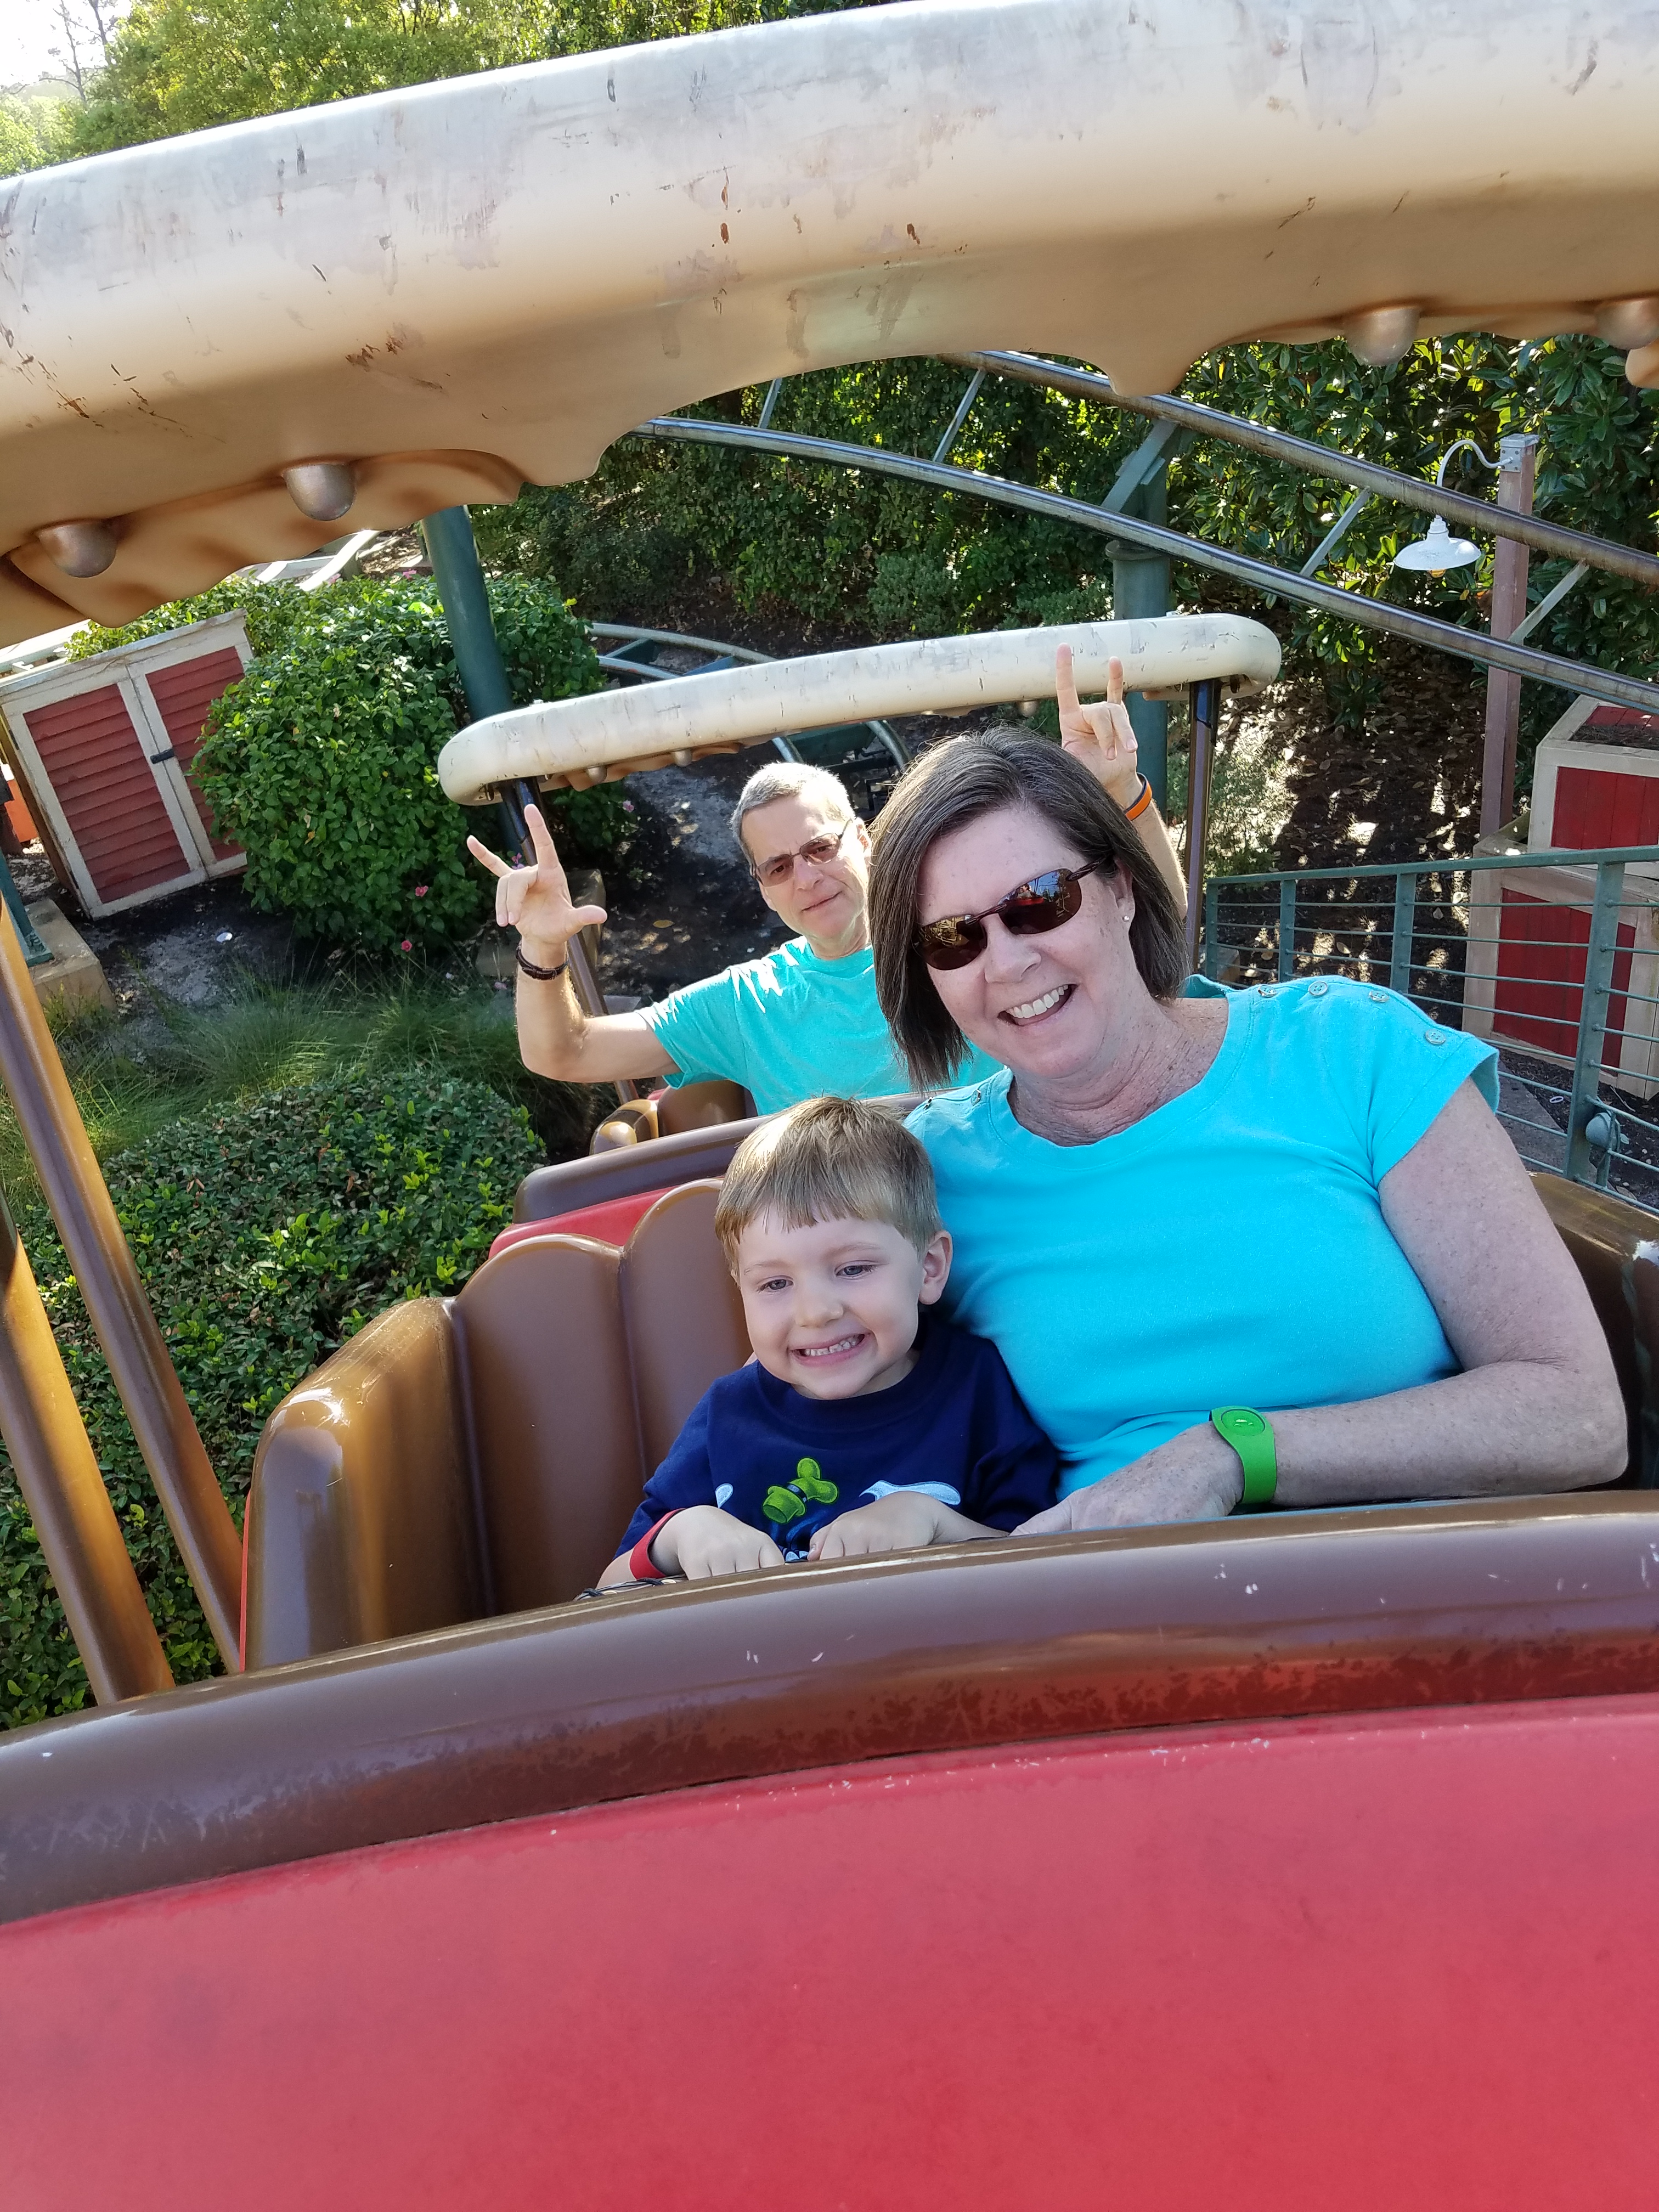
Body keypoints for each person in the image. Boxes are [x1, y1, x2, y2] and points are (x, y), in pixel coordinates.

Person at [864, 725, 1627, 1531]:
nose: (1008, 961)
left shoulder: (1349, 1052)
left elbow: (1578, 1413)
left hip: (1426, 1581)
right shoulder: (931, 1174)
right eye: (953, 938)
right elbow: (815, 1383)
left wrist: (1230, 1456)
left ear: (1122, 888)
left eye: (1039, 902)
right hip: (1125, 1604)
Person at [467, 652, 1184, 1115]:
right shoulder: (748, 1003)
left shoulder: (957, 938)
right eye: (779, 867)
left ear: (863, 841)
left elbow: (1147, 916)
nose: (806, 877)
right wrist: (543, 949)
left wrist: (1120, 793)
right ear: (762, 887)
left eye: (819, 847)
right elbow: (563, 1052)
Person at [598, 1096, 1058, 1583]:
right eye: (775, 1284)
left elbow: (1044, 1569)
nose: (815, 1313)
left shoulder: (977, 1390)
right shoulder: (728, 1413)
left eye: (853, 1269)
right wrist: (682, 1534)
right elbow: (609, 1588)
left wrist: (935, 1523)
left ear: (929, 1268)